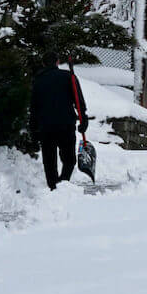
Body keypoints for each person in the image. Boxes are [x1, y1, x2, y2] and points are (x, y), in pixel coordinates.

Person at [30, 52, 87, 190]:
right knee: (69, 159)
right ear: (57, 62)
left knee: (49, 160)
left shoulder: (38, 80)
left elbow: (34, 107)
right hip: (65, 124)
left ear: (43, 64)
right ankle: (63, 182)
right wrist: (83, 118)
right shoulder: (69, 77)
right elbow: (78, 100)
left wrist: (34, 127)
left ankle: (53, 187)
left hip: (46, 126)